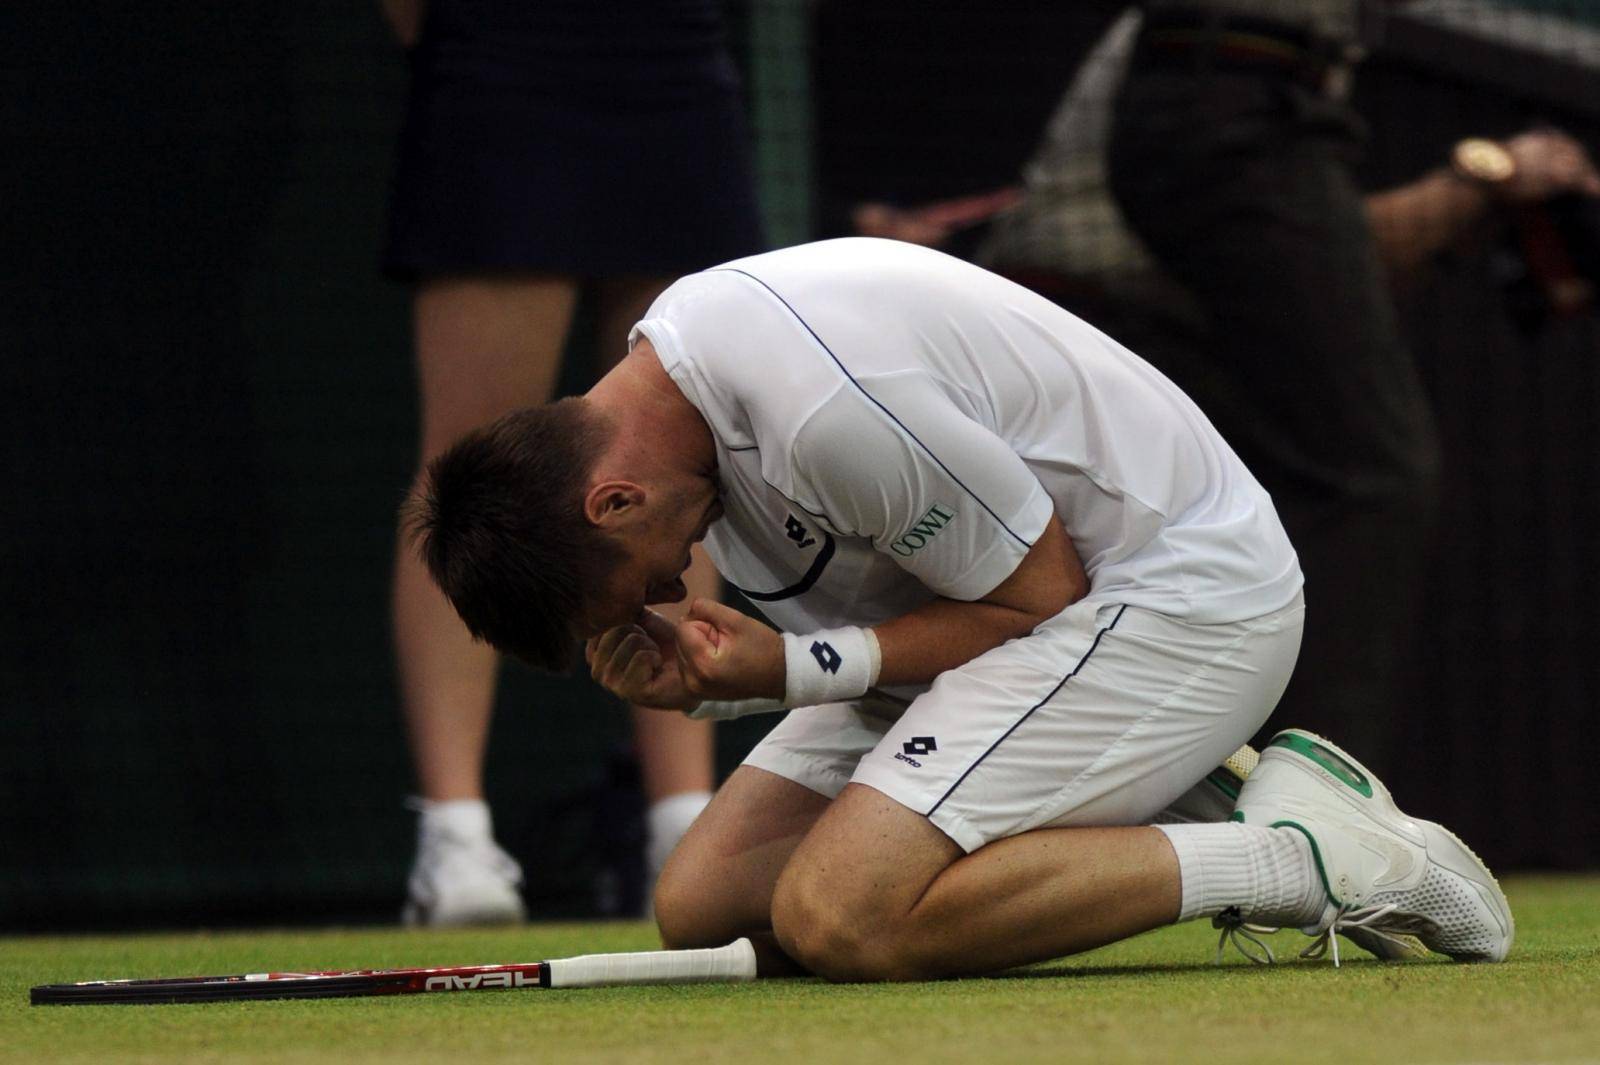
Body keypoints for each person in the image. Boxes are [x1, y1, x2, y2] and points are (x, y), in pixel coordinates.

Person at [407, 238, 1511, 978]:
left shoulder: (824, 407)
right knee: (708, 903)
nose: (662, 590)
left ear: (610, 498)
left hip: (1177, 600)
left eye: (636, 583)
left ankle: (1305, 854)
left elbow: (1037, 601)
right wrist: (716, 684)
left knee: (842, 916)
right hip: (1016, 623)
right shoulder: (675, 400)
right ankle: (1176, 797)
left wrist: (781, 674)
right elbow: (912, 614)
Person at [380, 0, 764, 924]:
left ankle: (685, 819)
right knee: (461, 469)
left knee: (687, 446)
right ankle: (457, 839)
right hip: (499, 66)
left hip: (674, 65)